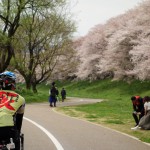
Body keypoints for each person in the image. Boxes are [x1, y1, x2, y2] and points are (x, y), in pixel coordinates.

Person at [0, 71, 25, 150]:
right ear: (13, 84)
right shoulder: (21, 99)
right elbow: (19, 118)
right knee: (15, 141)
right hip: (8, 129)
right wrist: (17, 132)